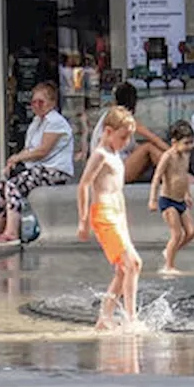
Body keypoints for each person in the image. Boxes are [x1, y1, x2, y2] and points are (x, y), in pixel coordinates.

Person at [0, 81, 74, 245]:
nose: (36, 106)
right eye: (33, 102)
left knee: (13, 186)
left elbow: (42, 150)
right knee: (3, 186)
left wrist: (19, 158)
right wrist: (13, 160)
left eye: (41, 102)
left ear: (52, 103)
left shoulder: (55, 121)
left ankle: (12, 232)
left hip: (54, 171)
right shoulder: (37, 123)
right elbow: (28, 149)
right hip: (39, 170)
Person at [77, 106, 143, 331]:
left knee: (125, 268)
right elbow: (84, 185)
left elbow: (118, 191)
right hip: (104, 214)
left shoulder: (114, 155)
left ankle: (106, 316)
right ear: (108, 131)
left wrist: (124, 223)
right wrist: (83, 220)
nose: (126, 142)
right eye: (123, 137)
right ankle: (130, 318)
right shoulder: (100, 154)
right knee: (132, 264)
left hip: (116, 213)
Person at [148, 120, 194, 277]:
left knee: (191, 232)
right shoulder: (167, 157)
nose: (189, 147)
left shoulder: (185, 155)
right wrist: (152, 199)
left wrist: (187, 194)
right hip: (168, 200)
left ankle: (169, 251)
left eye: (191, 143)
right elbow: (157, 178)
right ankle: (169, 265)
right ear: (174, 142)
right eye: (186, 143)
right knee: (176, 234)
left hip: (180, 200)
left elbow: (183, 176)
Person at [89, 82, 169, 184]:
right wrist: (173, 152)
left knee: (148, 149)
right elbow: (153, 138)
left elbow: (134, 149)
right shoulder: (118, 117)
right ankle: (179, 175)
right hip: (109, 172)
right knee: (148, 147)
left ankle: (176, 174)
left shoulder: (118, 118)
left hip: (117, 166)